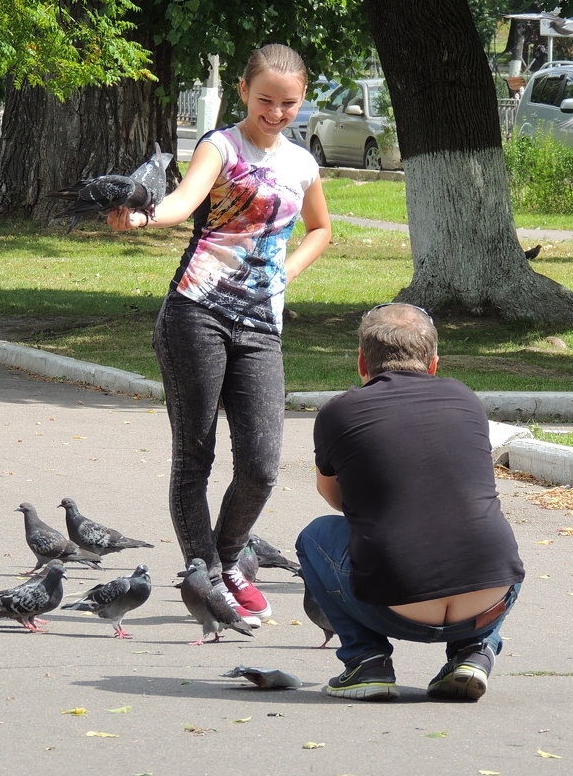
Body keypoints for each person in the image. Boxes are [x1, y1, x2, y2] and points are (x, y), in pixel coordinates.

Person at [107, 43, 331, 627]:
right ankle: (204, 571)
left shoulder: (302, 164)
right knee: (196, 456)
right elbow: (183, 203)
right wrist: (142, 216)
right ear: (243, 92)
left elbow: (320, 229)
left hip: (261, 326)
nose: (277, 113)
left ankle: (230, 557)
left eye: (289, 104)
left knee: (261, 463)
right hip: (196, 314)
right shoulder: (221, 146)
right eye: (266, 101)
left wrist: (288, 272)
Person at [296, 303, 525, 701]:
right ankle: (474, 652)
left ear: (362, 361)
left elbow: (336, 499)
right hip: (487, 602)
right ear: (434, 363)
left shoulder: (340, 411)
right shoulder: (466, 399)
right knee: (490, 537)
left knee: (315, 536)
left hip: (393, 606)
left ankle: (366, 661)